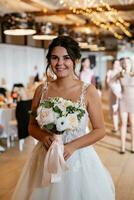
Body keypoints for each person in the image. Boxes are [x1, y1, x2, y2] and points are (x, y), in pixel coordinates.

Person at [12, 36, 115, 200]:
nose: (60, 63)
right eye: (54, 58)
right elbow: (31, 125)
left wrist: (72, 146)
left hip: (77, 158)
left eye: (66, 58)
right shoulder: (41, 90)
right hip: (45, 157)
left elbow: (100, 130)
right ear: (49, 60)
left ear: (75, 60)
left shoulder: (88, 91)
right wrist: (43, 136)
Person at [118, 57, 134, 153]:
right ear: (122, 64)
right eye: (124, 62)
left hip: (133, 101)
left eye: (128, 62)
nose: (126, 64)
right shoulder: (120, 75)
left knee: (133, 124)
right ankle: (122, 147)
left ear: (131, 64)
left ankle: (133, 146)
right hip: (123, 101)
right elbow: (110, 82)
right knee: (123, 124)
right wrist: (117, 93)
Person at [106, 59, 122, 132]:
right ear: (113, 64)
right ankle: (115, 127)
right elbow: (108, 82)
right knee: (114, 108)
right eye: (115, 63)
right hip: (112, 91)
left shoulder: (121, 71)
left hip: (121, 91)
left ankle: (122, 124)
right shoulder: (110, 72)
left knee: (121, 109)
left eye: (118, 63)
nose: (117, 65)